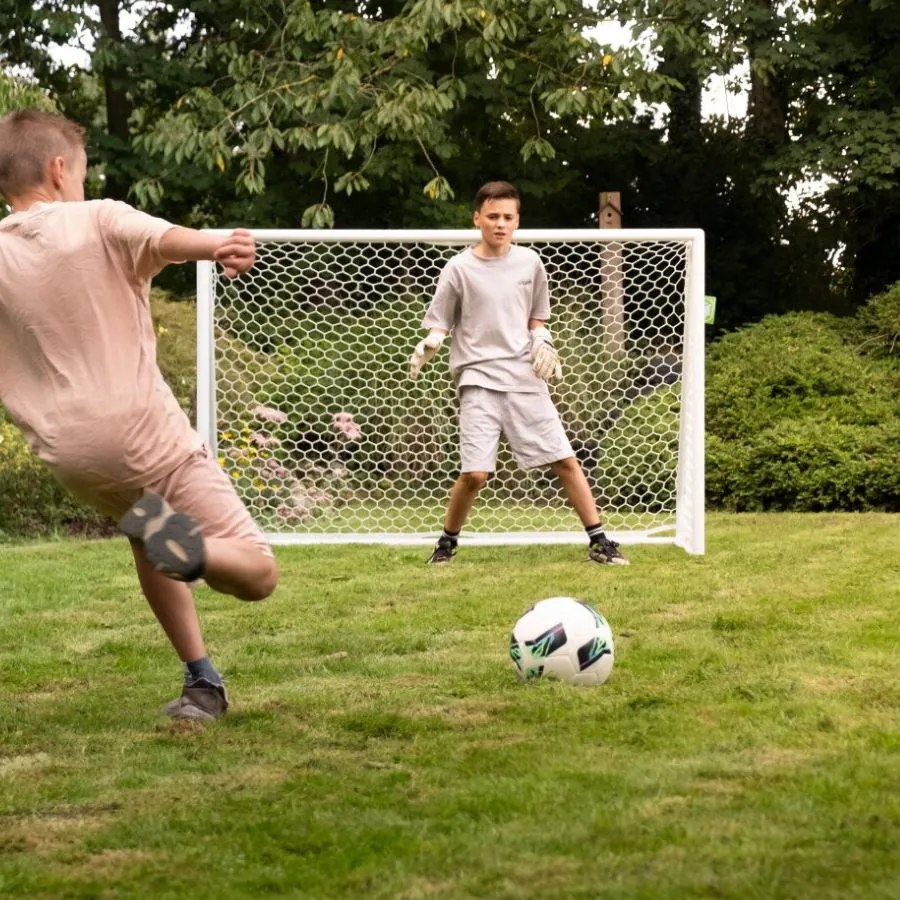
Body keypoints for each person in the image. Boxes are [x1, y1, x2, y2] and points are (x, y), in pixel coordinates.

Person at [0, 109, 279, 722]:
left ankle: (201, 682)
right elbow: (166, 239)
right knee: (256, 572)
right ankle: (196, 552)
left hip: (70, 457)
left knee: (149, 529)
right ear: (57, 169)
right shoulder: (98, 216)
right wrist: (218, 244)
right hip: (141, 433)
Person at [409, 180, 628, 567]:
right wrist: (431, 342)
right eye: (492, 216)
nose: (500, 223)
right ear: (477, 218)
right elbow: (440, 322)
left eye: (508, 217)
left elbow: (537, 318)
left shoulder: (531, 263)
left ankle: (600, 541)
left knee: (565, 460)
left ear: (517, 221)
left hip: (525, 377)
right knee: (475, 474)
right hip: (478, 379)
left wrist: (543, 341)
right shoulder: (458, 268)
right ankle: (446, 543)